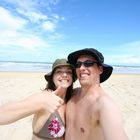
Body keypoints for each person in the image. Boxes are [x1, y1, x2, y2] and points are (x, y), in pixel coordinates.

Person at [0, 58, 76, 140]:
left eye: (69, 72)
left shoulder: (73, 99)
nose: (65, 75)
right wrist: (42, 102)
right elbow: (3, 114)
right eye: (59, 71)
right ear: (52, 77)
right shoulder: (44, 98)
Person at [65, 48, 128, 140]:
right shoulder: (73, 94)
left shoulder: (105, 105)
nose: (81, 68)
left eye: (88, 63)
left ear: (100, 69)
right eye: (78, 64)